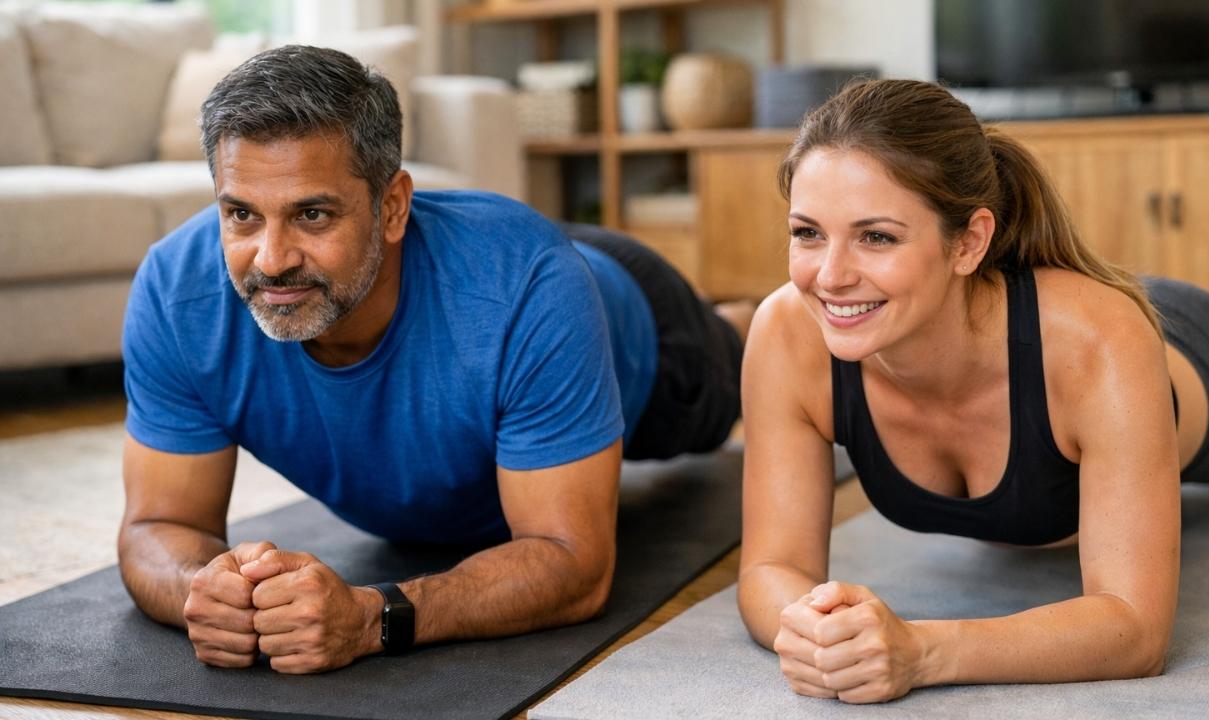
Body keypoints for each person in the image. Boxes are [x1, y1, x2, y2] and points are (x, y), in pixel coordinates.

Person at [118, 45, 746, 675]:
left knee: (742, 370)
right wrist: (201, 590)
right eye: (241, 215)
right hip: (489, 267)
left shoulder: (532, 287)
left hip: (643, 328)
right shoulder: (178, 295)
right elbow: (157, 525)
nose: (272, 259)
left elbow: (574, 564)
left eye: (312, 214)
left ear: (391, 207)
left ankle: (740, 318)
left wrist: (372, 618)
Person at [737, 79, 1209, 703]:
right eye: (807, 233)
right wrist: (812, 626)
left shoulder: (1097, 342)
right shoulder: (787, 331)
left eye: (876, 236)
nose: (829, 276)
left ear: (969, 241)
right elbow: (767, 571)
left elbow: (1135, 629)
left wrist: (921, 652)